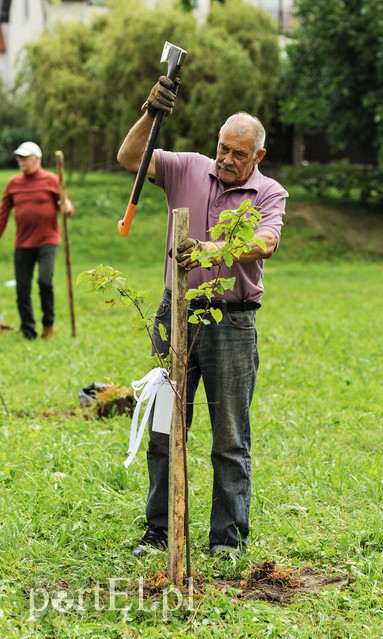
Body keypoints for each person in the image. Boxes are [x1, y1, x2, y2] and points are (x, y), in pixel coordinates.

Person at [117, 76, 288, 558]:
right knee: (164, 428)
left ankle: (226, 540)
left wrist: (214, 249)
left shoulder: (269, 193)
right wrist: (150, 110)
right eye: (222, 148)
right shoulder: (186, 168)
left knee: (230, 438)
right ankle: (158, 530)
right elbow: (130, 158)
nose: (227, 159)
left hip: (232, 323)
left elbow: (266, 243)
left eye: (238, 153)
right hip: (176, 315)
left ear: (258, 156)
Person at [0, 141, 74, 339]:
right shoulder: (13, 184)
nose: (21, 161)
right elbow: (3, 214)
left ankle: (48, 324)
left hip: (47, 240)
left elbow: (66, 206)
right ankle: (28, 330)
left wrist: (67, 207)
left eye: (25, 157)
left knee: (44, 281)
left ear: (37, 159)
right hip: (22, 242)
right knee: (22, 288)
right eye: (19, 158)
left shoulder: (51, 180)